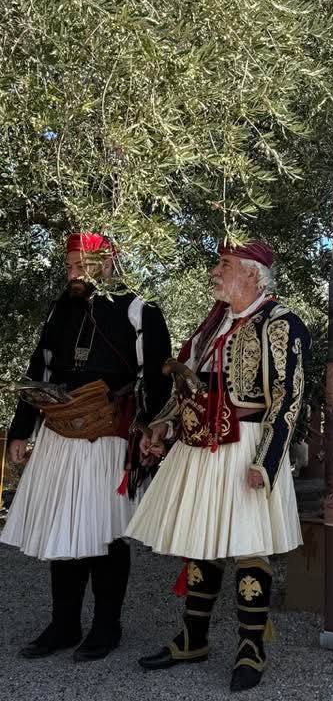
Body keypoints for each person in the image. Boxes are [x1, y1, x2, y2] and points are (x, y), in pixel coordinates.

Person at [126, 239, 308, 692]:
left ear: (252, 273)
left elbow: (288, 397)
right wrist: (162, 425)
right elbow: (187, 387)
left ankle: (251, 647)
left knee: (250, 546)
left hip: (247, 445)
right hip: (199, 444)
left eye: (223, 264)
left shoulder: (280, 323)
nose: (214, 271)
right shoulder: (211, 325)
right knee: (201, 540)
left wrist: (267, 461)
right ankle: (193, 638)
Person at [2, 232, 172, 662]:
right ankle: (64, 625)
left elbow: (158, 378)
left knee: (106, 535)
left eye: (82, 266)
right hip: (60, 434)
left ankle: (106, 627)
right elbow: (38, 370)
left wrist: (151, 431)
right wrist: (21, 430)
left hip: (109, 437)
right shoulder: (60, 308)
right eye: (69, 266)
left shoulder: (140, 310)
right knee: (63, 528)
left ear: (108, 261)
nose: (73, 274)